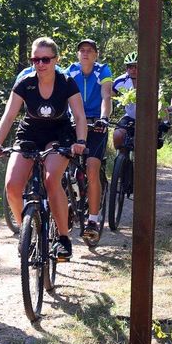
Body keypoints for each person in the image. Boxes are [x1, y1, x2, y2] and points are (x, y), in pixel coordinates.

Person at [0, 37, 87, 259]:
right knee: (12, 186)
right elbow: (9, 116)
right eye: (35, 60)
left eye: (45, 59)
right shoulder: (25, 83)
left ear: (56, 60)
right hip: (30, 133)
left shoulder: (66, 82)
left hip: (58, 134)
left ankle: (63, 238)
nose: (40, 64)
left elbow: (79, 116)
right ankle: (27, 231)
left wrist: (80, 142)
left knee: (51, 180)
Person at [65, 38, 112, 243]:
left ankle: (92, 220)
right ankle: (66, 204)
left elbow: (106, 96)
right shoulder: (70, 71)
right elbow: (62, 97)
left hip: (95, 124)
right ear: (78, 54)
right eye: (82, 50)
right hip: (74, 122)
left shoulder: (103, 70)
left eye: (89, 50)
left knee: (92, 169)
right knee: (60, 166)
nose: (85, 53)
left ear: (96, 55)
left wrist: (104, 118)